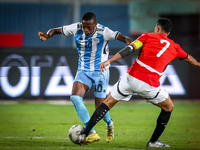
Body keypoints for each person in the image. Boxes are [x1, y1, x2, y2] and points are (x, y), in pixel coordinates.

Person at [76, 18, 200, 147]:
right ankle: (153, 142)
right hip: (149, 84)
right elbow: (189, 59)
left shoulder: (147, 36)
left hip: (130, 78)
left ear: (157, 28)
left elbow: (129, 49)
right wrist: (198, 64)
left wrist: (109, 61)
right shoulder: (175, 47)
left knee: (106, 103)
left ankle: (84, 134)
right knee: (169, 107)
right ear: (168, 33)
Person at [38, 12, 133, 144]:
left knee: (99, 106)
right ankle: (92, 132)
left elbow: (120, 36)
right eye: (84, 26)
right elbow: (55, 30)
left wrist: (128, 40)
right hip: (83, 71)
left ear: (95, 24)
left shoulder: (103, 31)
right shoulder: (76, 28)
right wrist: (47, 35)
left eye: (89, 27)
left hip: (100, 72)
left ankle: (109, 124)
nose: (86, 29)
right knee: (75, 98)